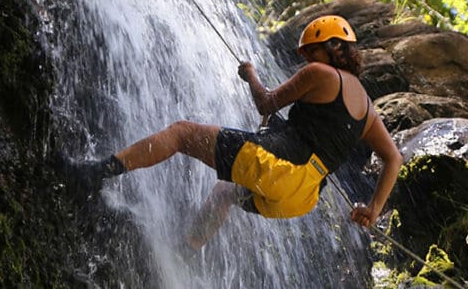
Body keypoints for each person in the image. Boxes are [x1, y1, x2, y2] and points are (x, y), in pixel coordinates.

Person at [91, 15, 402, 250]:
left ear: (334, 47)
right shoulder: (369, 110)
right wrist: (372, 210)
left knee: (181, 133)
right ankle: (186, 252)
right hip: (302, 196)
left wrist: (250, 74)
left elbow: (266, 103)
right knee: (225, 193)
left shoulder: (320, 73)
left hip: (279, 166)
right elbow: (393, 159)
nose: (306, 59)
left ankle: (94, 173)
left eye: (312, 51)